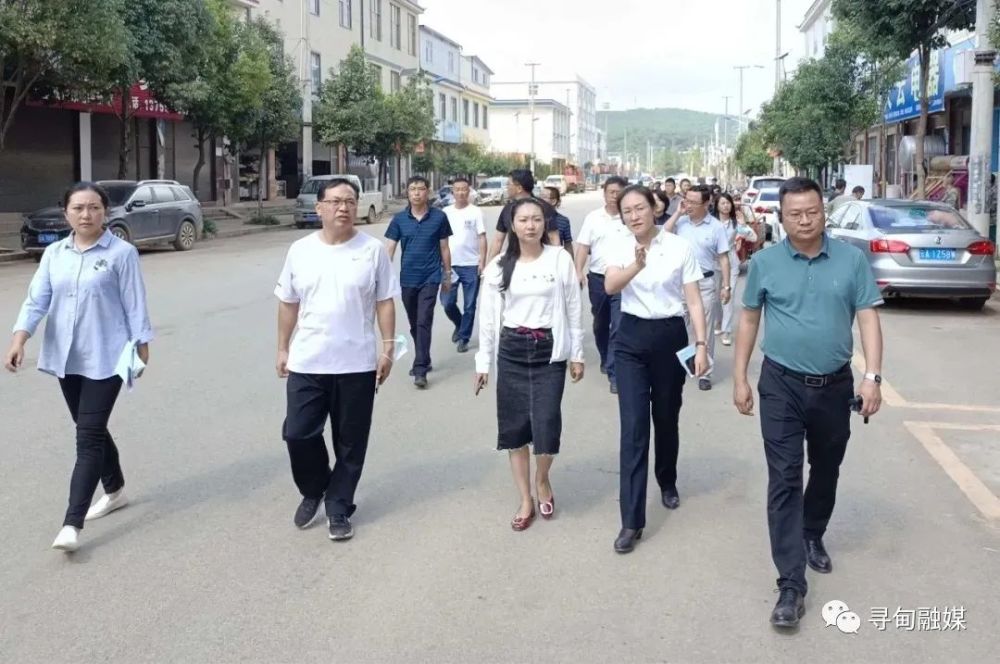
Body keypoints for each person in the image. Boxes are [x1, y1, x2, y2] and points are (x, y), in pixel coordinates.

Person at [732, 177, 884, 629]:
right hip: (780, 383)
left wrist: (872, 377)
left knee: (827, 466)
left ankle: (812, 532)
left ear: (824, 212)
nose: (804, 220)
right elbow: (749, 319)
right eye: (795, 213)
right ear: (782, 217)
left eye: (812, 211)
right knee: (784, 477)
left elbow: (869, 318)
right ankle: (790, 584)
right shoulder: (765, 263)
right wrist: (740, 376)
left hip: (835, 385)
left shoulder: (851, 261)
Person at [4, 182, 154, 553]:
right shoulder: (55, 253)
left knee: (87, 437)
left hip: (108, 356)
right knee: (91, 427)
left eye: (93, 208)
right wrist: (19, 339)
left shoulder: (121, 253)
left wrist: (142, 348)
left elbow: (135, 303)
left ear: (105, 212)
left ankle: (71, 523)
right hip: (67, 358)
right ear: (66, 212)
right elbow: (37, 299)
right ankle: (115, 488)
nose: (86, 215)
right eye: (78, 208)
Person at [276, 177, 399, 541]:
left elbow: (385, 300)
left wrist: (387, 346)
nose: (343, 207)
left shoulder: (372, 250)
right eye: (334, 201)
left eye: (349, 201)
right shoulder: (300, 250)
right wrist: (282, 347)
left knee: (350, 442)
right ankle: (315, 487)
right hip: (308, 362)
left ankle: (339, 505)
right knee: (297, 433)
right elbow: (288, 302)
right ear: (319, 208)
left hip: (356, 364)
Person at [604, 185, 710, 553]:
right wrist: (637, 263)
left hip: (670, 336)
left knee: (666, 418)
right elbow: (609, 285)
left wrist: (701, 345)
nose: (634, 216)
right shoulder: (619, 245)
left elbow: (694, 301)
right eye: (626, 211)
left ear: (655, 208)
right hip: (631, 338)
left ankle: (667, 479)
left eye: (639, 208)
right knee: (633, 428)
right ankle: (631, 521)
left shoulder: (679, 247)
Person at [475, 198, 584, 531]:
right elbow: (489, 320)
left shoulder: (559, 259)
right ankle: (525, 499)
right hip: (512, 351)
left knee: (547, 423)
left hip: (548, 351)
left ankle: (542, 478)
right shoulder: (498, 267)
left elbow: (574, 307)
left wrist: (577, 353)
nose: (531, 225)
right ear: (512, 224)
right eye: (523, 220)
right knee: (515, 428)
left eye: (537, 219)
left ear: (544, 223)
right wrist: (483, 362)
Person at [385, 176, 452, 389]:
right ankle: (425, 355)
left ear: (427, 192)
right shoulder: (399, 219)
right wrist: (382, 277)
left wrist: (447, 276)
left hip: (431, 277)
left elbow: (444, 248)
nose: (416, 193)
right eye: (412, 189)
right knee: (415, 323)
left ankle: (420, 368)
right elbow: (390, 249)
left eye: (420, 189)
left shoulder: (439, 217)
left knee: (423, 320)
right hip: (408, 279)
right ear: (407, 192)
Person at [664, 184, 731, 391]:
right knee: (677, 327)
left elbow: (723, 258)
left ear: (706, 203)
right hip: (679, 284)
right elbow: (662, 234)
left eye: (693, 202)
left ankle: (704, 372)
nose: (688, 204)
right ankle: (680, 365)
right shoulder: (681, 222)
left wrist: (726, 286)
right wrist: (677, 212)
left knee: (705, 329)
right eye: (686, 199)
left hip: (704, 284)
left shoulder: (716, 227)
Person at [575, 176, 631, 394]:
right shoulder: (593, 218)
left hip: (622, 279)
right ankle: (605, 355)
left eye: (619, 192)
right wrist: (578, 271)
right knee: (601, 324)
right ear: (604, 194)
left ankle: (614, 371)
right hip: (598, 278)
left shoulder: (630, 217)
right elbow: (582, 247)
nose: (615, 196)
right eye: (611, 192)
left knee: (618, 325)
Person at [441, 177, 486, 354]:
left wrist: (482, 260)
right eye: (457, 189)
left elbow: (482, 237)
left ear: (469, 191)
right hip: (448, 265)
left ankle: (464, 338)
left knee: (469, 305)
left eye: (464, 189)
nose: (460, 192)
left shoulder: (476, 212)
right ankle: (459, 324)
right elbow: (439, 238)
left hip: (470, 265)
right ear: (453, 192)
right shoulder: (445, 212)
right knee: (447, 303)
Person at [488, 169, 561, 260]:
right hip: (514, 263)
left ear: (519, 188)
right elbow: (498, 241)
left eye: (508, 184)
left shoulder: (545, 208)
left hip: (541, 261)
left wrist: (556, 263)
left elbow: (554, 238)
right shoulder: (507, 209)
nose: (506, 187)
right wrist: (488, 268)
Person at [714, 193, 747, 347]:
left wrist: (743, 224)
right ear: (717, 205)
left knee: (728, 296)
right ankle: (718, 321)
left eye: (728, 203)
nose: (726, 206)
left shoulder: (735, 223)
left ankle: (726, 330)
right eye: (722, 203)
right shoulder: (711, 223)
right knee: (714, 297)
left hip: (731, 262)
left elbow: (751, 236)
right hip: (714, 263)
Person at [539, 185, 574, 254]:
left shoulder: (564, 221)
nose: (540, 199)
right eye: (540, 196)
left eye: (544, 197)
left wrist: (571, 263)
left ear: (554, 201)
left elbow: (568, 244)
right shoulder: (534, 220)